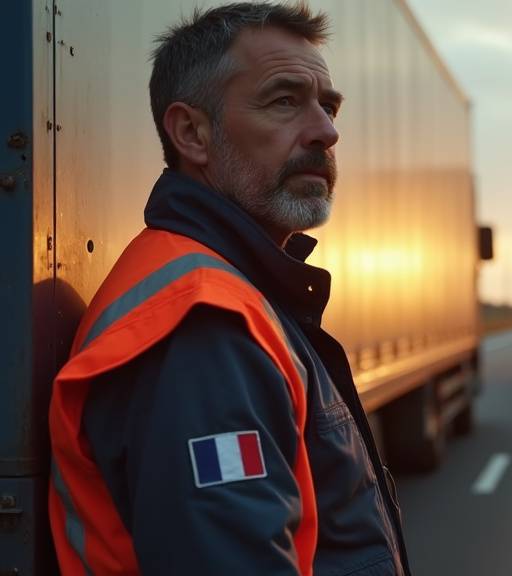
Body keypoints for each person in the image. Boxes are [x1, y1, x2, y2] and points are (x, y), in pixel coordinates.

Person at [48, 3, 409, 575]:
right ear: (192, 133)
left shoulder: (240, 292)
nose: (326, 131)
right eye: (285, 100)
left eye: (328, 105)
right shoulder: (199, 327)